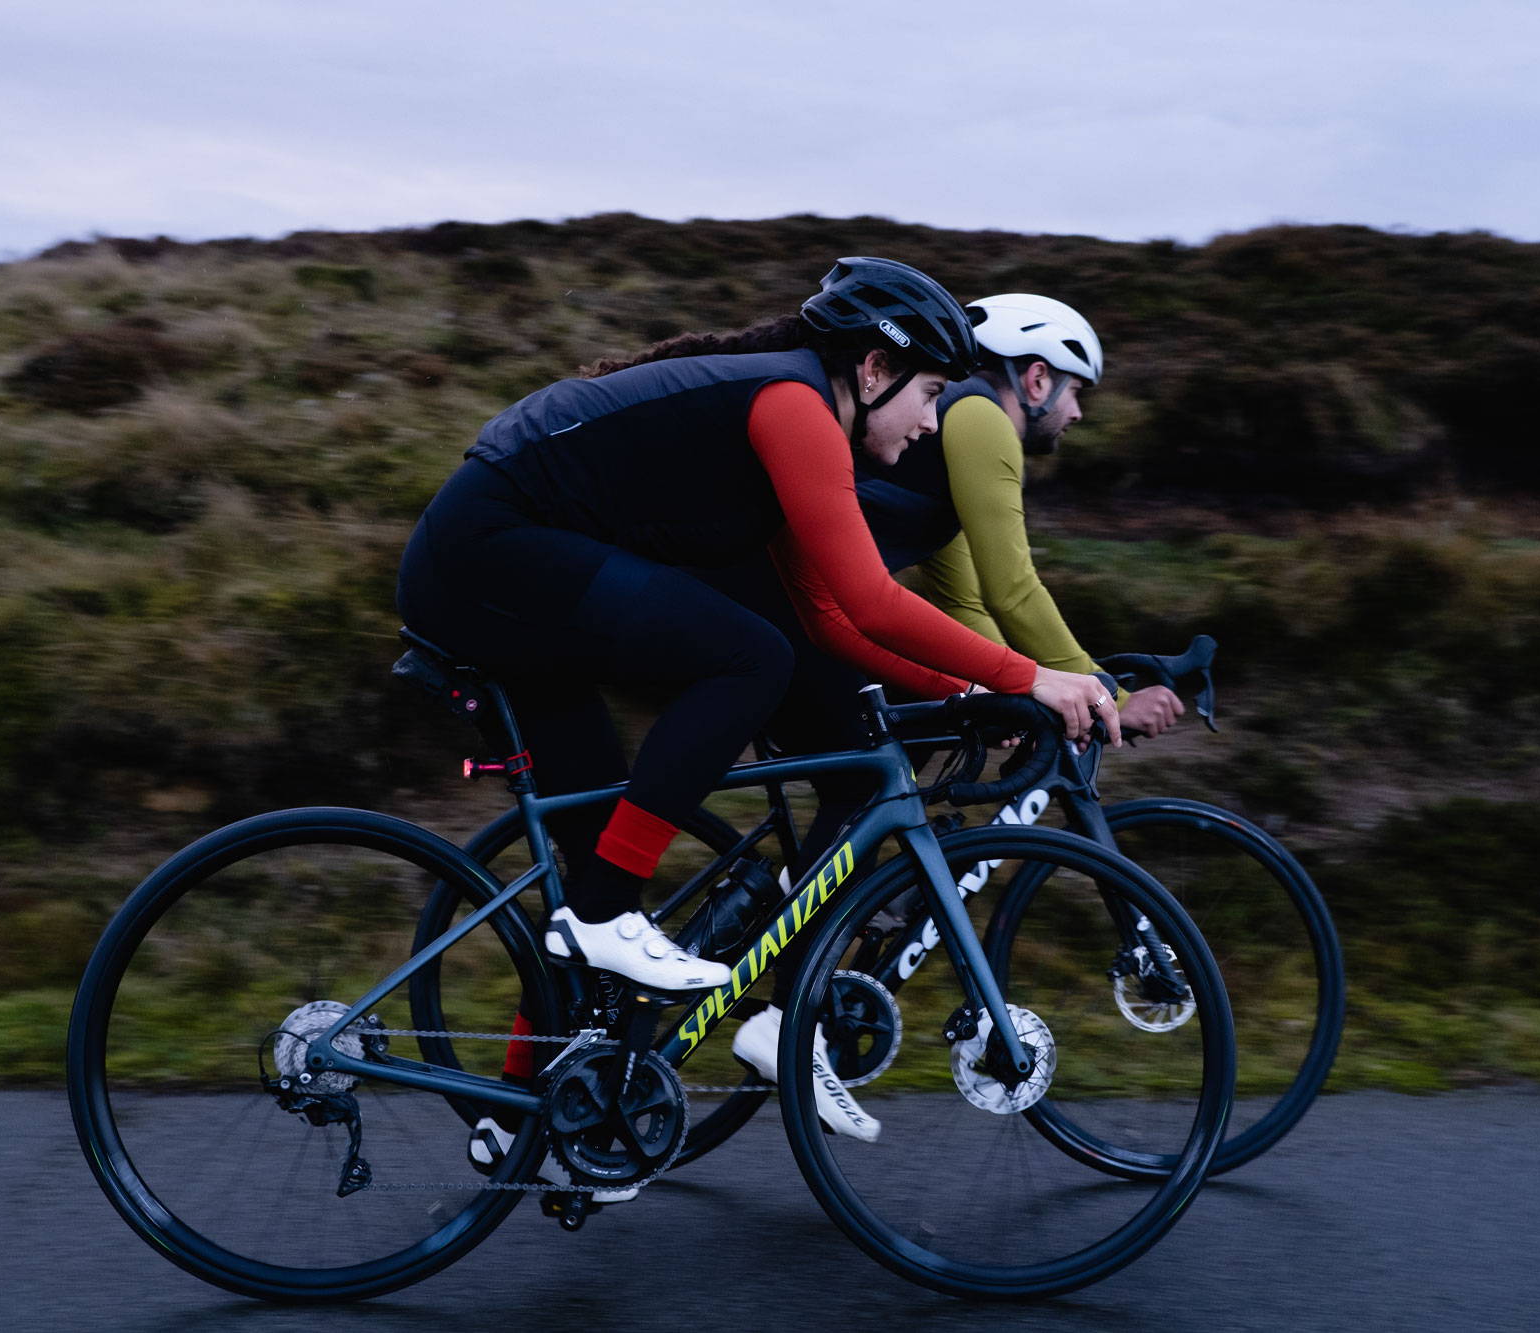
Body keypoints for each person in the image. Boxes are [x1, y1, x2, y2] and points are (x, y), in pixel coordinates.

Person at [397, 259, 1121, 1153]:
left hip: (494, 564)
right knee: (750, 659)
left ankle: (522, 1117)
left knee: (595, 846)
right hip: (490, 553)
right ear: (873, 370)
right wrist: (1029, 676)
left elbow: (834, 620)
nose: (933, 420)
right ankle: (604, 915)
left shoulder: (793, 417)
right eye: (931, 392)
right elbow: (873, 601)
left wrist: (969, 689)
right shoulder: (793, 408)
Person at [857, 292, 1184, 738]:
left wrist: (1009, 687)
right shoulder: (983, 418)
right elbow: (1012, 590)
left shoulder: (954, 413)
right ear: (1037, 379)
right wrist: (1112, 697)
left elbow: (963, 602)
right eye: (1075, 391)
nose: (1077, 413)